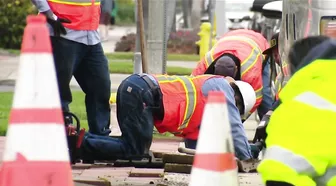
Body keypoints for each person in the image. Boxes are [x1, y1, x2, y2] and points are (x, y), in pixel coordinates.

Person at [79, 74, 258, 161]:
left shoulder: (203, 116)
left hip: (140, 91)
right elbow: (235, 128)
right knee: (134, 151)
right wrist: (247, 159)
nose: (231, 112)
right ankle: (78, 144)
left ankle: (81, 140)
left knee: (133, 147)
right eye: (235, 108)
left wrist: (252, 148)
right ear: (236, 98)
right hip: (142, 92)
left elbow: (198, 150)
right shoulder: (220, 86)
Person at [257, 36, 335, 186]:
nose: (277, 57)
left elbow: (279, 173)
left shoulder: (303, 103)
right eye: (274, 55)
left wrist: (269, 116)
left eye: (277, 53)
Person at [31, 0, 111, 136]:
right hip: (62, 32)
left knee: (100, 86)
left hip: (91, 34)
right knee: (59, 89)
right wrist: (49, 15)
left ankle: (99, 139)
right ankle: (62, 134)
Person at [191, 29, 272, 119]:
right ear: (214, 68)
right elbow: (192, 88)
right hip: (231, 39)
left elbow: (255, 98)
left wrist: (239, 120)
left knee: (265, 96)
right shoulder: (206, 63)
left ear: (236, 70)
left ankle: (268, 125)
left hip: (259, 44)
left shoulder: (249, 71)